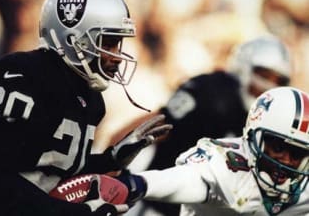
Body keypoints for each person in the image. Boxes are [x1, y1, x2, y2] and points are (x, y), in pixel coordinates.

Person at [0, 0, 171, 215]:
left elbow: (50, 170)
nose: (117, 56)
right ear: (74, 38)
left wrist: (110, 159)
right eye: (108, 43)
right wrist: (74, 213)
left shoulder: (89, 99)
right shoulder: (22, 76)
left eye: (118, 44)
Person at [111, 35, 291, 215]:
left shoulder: (272, 121)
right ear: (243, 66)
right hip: (157, 205)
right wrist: (111, 160)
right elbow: (158, 124)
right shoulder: (211, 93)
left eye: (278, 81)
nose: (269, 85)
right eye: (264, 75)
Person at [121, 86, 309, 215]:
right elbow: (186, 180)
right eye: (277, 148)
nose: (286, 161)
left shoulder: (303, 189)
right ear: (254, 137)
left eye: (298, 154)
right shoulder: (227, 166)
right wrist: (138, 184)